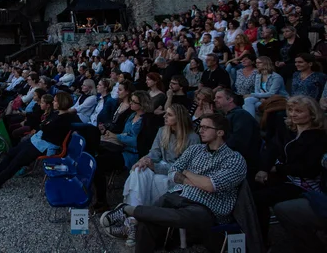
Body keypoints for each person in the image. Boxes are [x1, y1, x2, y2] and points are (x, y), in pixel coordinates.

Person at [107, 113, 246, 252]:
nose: (201, 130)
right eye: (200, 126)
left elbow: (210, 186)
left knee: (180, 216)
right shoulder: (195, 150)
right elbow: (172, 172)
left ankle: (130, 211)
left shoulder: (234, 159)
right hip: (179, 195)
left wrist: (186, 172)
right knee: (147, 222)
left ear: (220, 132)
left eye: (206, 127)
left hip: (206, 206)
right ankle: (135, 217)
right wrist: (191, 180)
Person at [102, 103, 200, 245]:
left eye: (169, 114)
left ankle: (132, 221)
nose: (165, 116)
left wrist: (155, 167)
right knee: (138, 171)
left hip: (177, 176)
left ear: (179, 118)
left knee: (156, 180)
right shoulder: (162, 131)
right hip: (160, 166)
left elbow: (185, 168)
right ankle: (133, 222)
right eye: (165, 113)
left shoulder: (193, 138)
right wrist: (144, 160)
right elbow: (154, 153)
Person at [253, 95, 327, 244]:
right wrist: (263, 169)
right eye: (291, 110)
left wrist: (278, 169)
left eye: (299, 111)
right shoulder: (287, 130)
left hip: (305, 184)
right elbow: (271, 149)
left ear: (312, 114)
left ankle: (262, 242)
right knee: (248, 186)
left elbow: (309, 169)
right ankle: (254, 239)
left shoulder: (319, 137)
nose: (293, 114)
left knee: (259, 198)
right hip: (286, 177)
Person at [0, 91, 80, 191]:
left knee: (17, 162)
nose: (53, 102)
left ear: (62, 103)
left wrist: (44, 125)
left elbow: (45, 126)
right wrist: (44, 125)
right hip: (37, 140)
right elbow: (43, 125)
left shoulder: (64, 118)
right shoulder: (57, 114)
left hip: (44, 145)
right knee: (11, 153)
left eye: (56, 101)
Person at [214, 88, 261, 179]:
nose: (215, 100)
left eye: (219, 97)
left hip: (243, 166)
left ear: (230, 99)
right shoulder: (228, 116)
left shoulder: (241, 115)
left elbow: (239, 142)